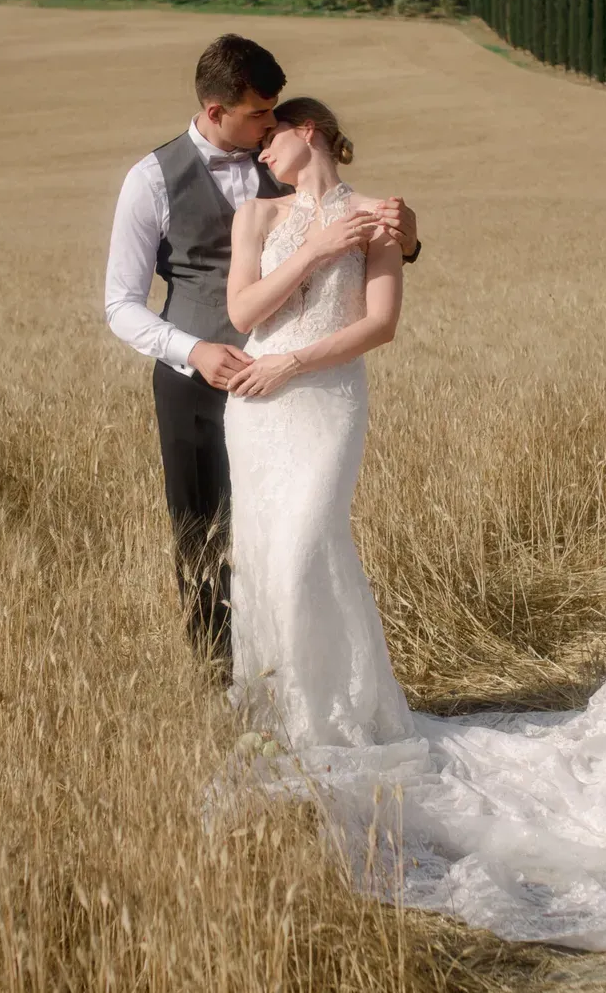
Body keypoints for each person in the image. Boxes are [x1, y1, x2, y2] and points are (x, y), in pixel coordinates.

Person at [221, 96, 606, 956]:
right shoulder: (256, 213)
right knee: (269, 559)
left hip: (324, 404)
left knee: (307, 546)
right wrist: (313, 256)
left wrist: (297, 350)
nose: (262, 154)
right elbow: (244, 313)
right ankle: (287, 712)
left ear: (309, 129)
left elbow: (380, 324)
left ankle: (339, 719)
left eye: (272, 138)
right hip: (255, 411)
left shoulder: (380, 215)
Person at [104, 35, 419, 670]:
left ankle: (300, 677)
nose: (269, 127)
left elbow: (361, 238)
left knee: (288, 536)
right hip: (194, 385)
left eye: (276, 115)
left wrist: (407, 239)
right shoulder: (149, 181)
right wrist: (193, 351)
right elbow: (119, 304)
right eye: (257, 115)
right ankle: (221, 682)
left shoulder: (281, 156)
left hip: (299, 387)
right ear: (215, 109)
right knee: (202, 535)